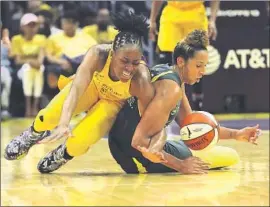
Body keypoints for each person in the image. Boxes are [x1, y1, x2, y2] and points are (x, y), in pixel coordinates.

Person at [4, 11, 155, 174]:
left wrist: (151, 144)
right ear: (112, 53)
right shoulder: (97, 54)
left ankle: (63, 154)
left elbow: (151, 116)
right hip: (91, 86)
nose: (130, 68)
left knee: (81, 139)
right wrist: (63, 123)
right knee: (49, 116)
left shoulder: (142, 79)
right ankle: (33, 134)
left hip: (113, 102)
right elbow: (76, 90)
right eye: (124, 61)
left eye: (135, 62)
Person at [108, 30, 262, 174]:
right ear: (181, 61)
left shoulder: (168, 74)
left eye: (205, 66)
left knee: (195, 145)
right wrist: (181, 165)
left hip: (121, 144)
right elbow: (140, 142)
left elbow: (192, 124)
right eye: (198, 66)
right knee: (230, 156)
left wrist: (236, 134)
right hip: (136, 155)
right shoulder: (171, 89)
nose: (202, 71)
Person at [149, 0, 220, 111]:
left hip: (196, 15)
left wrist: (212, 20)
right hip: (172, 15)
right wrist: (152, 20)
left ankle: (197, 109)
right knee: (166, 62)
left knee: (197, 62)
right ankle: (162, 105)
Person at [11, 13, 47, 117]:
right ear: (22, 26)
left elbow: (40, 59)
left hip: (38, 68)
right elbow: (18, 61)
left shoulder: (42, 38)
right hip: (22, 69)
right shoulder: (16, 39)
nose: (32, 28)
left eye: (34, 25)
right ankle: (29, 106)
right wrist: (30, 61)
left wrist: (29, 60)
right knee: (28, 70)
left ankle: (34, 106)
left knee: (39, 70)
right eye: (29, 25)